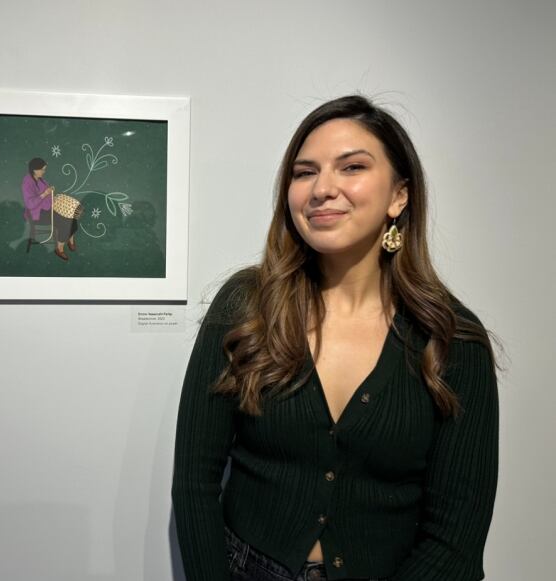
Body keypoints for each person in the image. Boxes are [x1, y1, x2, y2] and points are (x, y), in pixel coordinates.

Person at [171, 95, 500, 581]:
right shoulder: (246, 306)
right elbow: (195, 484)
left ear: (399, 196)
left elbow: (455, 540)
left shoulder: (452, 340)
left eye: (352, 167)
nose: (322, 188)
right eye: (304, 173)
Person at [21, 157, 78, 261]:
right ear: (35, 169)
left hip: (48, 208)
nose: (44, 171)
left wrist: (50, 191)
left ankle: (70, 239)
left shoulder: (41, 179)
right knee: (65, 222)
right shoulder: (27, 182)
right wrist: (44, 194)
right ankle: (59, 248)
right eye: (42, 169)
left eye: (44, 169)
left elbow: (46, 193)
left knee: (73, 216)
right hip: (37, 214)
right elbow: (30, 204)